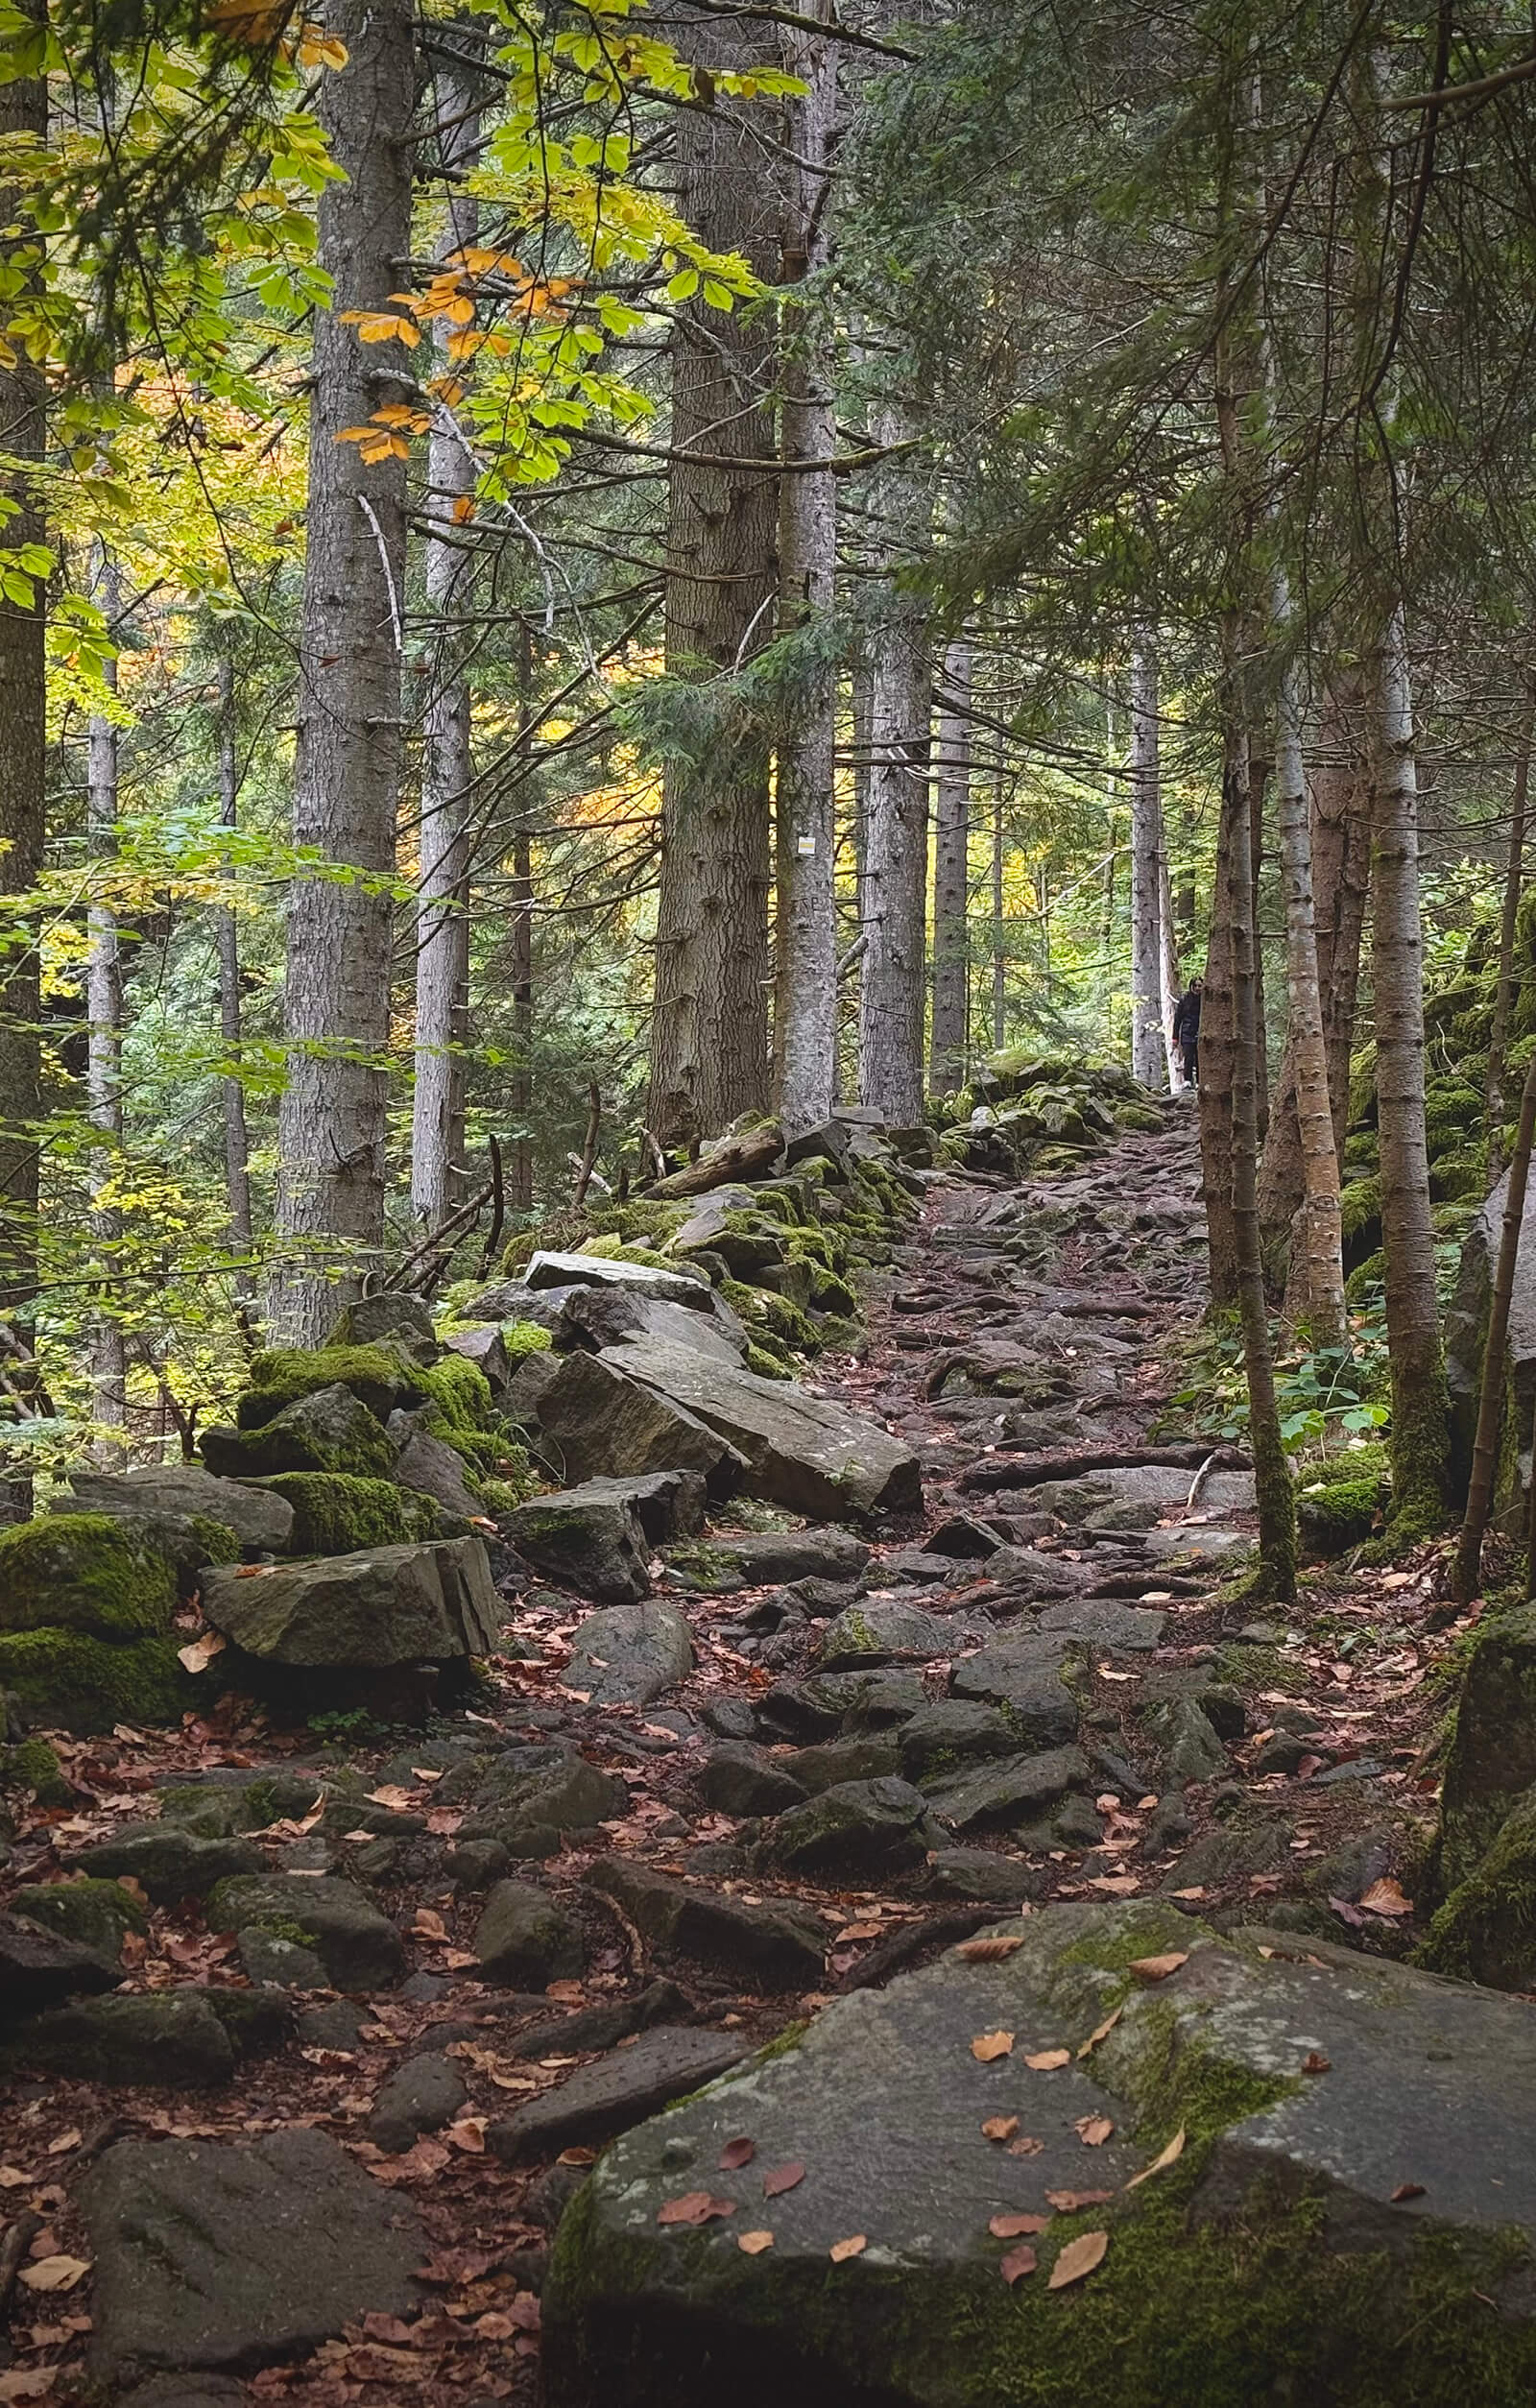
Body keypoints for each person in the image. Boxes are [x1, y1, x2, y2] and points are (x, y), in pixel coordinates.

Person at [1171, 975, 1203, 1087]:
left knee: (1200, 1058)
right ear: (1191, 986)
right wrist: (1175, 1038)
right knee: (1188, 1057)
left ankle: (1200, 1082)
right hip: (1187, 1032)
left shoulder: (1205, 1000)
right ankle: (1187, 1081)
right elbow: (1177, 1020)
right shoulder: (1185, 1000)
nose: (1198, 988)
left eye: (1200, 986)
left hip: (1201, 1032)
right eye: (1196, 986)